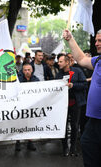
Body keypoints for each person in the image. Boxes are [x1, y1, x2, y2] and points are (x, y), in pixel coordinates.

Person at [63, 29, 101, 166]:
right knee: (88, 145)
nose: (96, 44)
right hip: (94, 121)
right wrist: (70, 39)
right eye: (96, 40)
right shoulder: (98, 60)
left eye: (100, 41)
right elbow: (81, 59)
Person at [56, 54, 87, 156]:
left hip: (75, 103)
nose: (58, 63)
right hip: (63, 105)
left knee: (74, 126)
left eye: (60, 61)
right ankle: (65, 148)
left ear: (67, 62)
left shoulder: (77, 71)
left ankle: (73, 149)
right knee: (63, 127)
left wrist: (73, 85)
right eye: (58, 61)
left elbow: (84, 84)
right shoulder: (58, 74)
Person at [15, 63, 39, 151]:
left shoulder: (36, 79)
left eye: (29, 70)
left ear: (32, 70)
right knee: (19, 124)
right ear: (22, 70)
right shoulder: (18, 80)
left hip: (31, 106)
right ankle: (18, 142)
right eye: (25, 70)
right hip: (20, 105)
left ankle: (30, 142)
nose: (27, 72)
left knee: (30, 124)